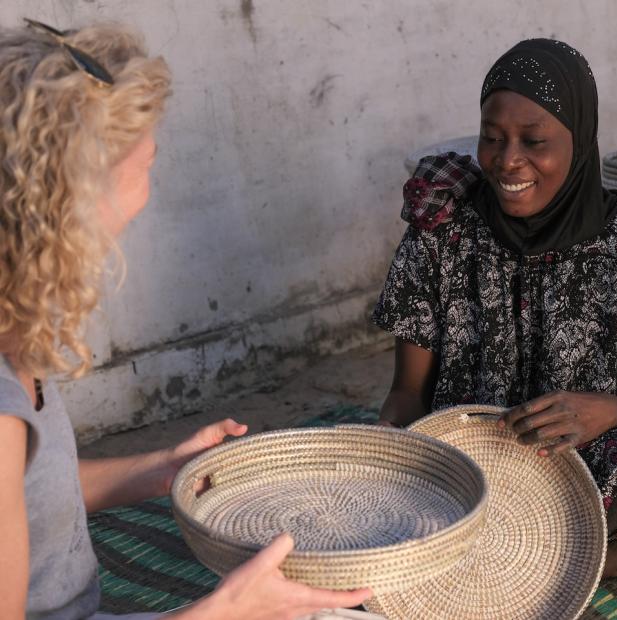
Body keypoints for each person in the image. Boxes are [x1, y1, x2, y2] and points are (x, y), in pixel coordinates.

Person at [0, 20, 371, 619]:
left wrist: (157, 469)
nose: (150, 178)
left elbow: (30, 498)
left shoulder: (14, 327)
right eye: (146, 160)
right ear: (75, 192)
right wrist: (221, 611)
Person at [374, 39, 617, 591]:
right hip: (462, 471)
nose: (507, 161)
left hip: (576, 472)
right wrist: (390, 446)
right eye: (491, 138)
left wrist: (604, 411)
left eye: (534, 141)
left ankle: (551, 550)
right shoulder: (440, 235)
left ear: (580, 141)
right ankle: (579, 558)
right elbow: (408, 397)